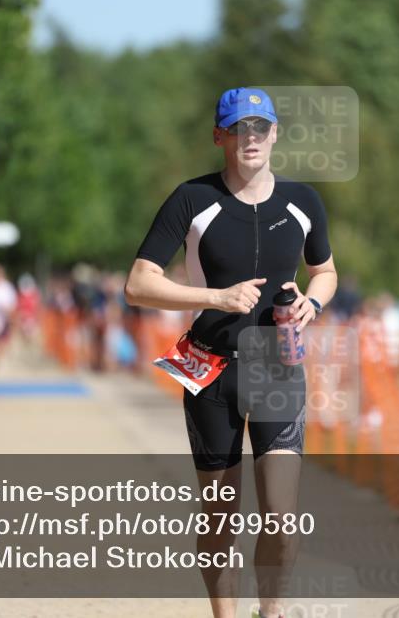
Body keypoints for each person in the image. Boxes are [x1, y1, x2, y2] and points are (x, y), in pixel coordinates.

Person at [124, 87, 337, 618]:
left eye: (260, 128)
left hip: (276, 369)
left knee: (281, 518)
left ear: (275, 135)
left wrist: (313, 301)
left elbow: (326, 271)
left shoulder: (303, 201)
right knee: (221, 520)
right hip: (212, 372)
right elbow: (137, 284)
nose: (250, 138)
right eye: (239, 129)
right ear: (220, 136)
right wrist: (214, 297)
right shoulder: (191, 200)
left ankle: (273, 611)